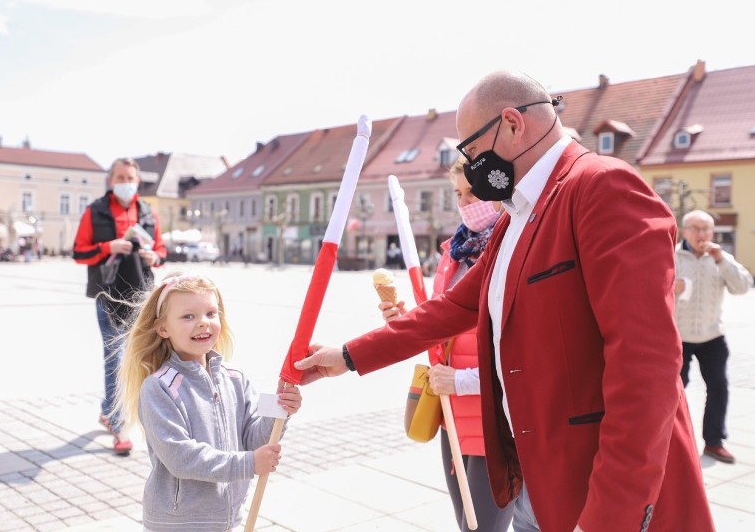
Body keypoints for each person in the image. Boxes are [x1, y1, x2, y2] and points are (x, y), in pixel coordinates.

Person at [295, 71, 715, 531]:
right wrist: (350, 355)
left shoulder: (602, 187)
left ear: (513, 124)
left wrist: (610, 518)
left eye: (473, 150)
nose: (473, 166)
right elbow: (454, 308)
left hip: (610, 493)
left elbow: (646, 367)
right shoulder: (521, 211)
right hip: (552, 480)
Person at [381, 156, 512, 532]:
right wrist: (408, 320)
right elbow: (444, 318)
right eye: (458, 193)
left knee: (482, 527)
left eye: (473, 191)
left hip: (494, 415)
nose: (466, 201)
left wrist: (463, 380)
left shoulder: (514, 249)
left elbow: (524, 349)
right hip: (451, 410)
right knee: (465, 523)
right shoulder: (454, 253)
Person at [116, 273, 302, 531]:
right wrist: (248, 464)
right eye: (188, 316)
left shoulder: (236, 380)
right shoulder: (159, 387)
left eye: (211, 314)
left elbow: (254, 441)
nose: (203, 323)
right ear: (163, 328)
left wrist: (280, 408)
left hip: (228, 519)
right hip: (179, 524)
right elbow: (180, 457)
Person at [72, 157, 167, 455]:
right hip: (108, 294)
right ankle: (119, 424)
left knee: (145, 358)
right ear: (111, 180)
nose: (126, 182)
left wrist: (156, 257)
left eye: (131, 177)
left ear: (138, 181)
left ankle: (110, 410)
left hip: (142, 294)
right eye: (120, 177)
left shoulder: (148, 212)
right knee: (116, 359)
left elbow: (162, 249)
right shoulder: (95, 211)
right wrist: (108, 247)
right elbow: (78, 252)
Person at [674, 209, 752, 464]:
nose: (701, 234)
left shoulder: (721, 257)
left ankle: (714, 442)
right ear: (685, 230)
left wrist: (721, 259)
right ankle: (673, 443)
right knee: (674, 392)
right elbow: (651, 289)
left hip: (712, 336)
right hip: (678, 337)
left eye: (706, 229)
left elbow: (742, 288)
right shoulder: (671, 255)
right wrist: (671, 287)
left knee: (718, 388)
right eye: (695, 228)